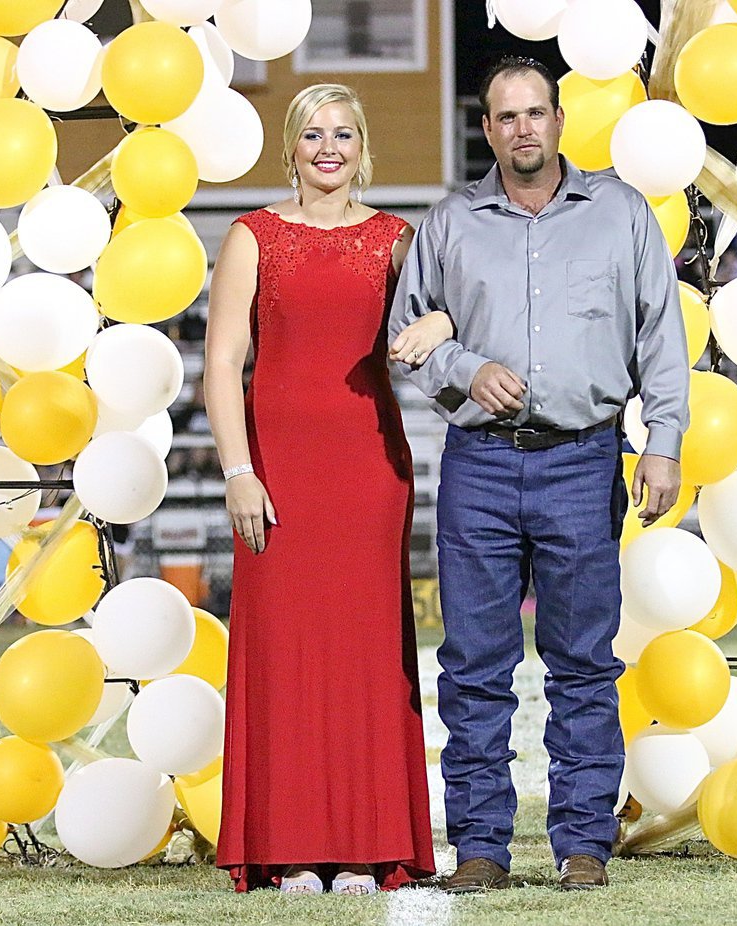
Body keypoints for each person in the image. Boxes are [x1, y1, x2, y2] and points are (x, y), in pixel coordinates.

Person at [389, 56, 690, 892]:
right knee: (474, 665)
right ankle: (481, 849)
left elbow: (660, 334)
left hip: (586, 458)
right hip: (480, 467)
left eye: (535, 113)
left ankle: (583, 846)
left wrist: (662, 440)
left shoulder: (621, 214)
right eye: (505, 116)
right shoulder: (450, 223)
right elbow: (406, 335)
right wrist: (465, 368)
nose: (523, 128)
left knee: (584, 662)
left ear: (559, 119)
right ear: (487, 130)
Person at [203, 83, 448, 896]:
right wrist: (239, 471)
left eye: (343, 133)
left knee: (368, 656)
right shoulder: (254, 236)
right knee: (285, 654)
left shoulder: (395, 239)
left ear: (362, 144)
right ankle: (292, 845)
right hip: (274, 471)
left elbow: (457, 305)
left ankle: (369, 845)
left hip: (367, 471)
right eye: (314, 134)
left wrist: (438, 325)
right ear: (292, 145)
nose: (329, 147)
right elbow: (220, 367)